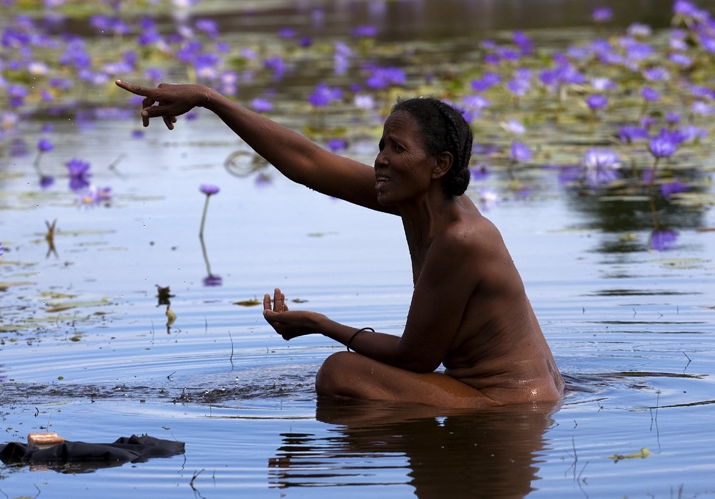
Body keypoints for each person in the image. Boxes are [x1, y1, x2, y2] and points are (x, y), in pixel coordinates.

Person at [115, 80, 565, 408]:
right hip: (513, 393)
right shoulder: (419, 200)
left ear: (438, 164)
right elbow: (308, 162)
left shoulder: (462, 238)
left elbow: (418, 358)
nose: (380, 159)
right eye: (381, 145)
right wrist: (209, 99)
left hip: (510, 404)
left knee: (340, 372)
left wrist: (319, 323)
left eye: (396, 149)